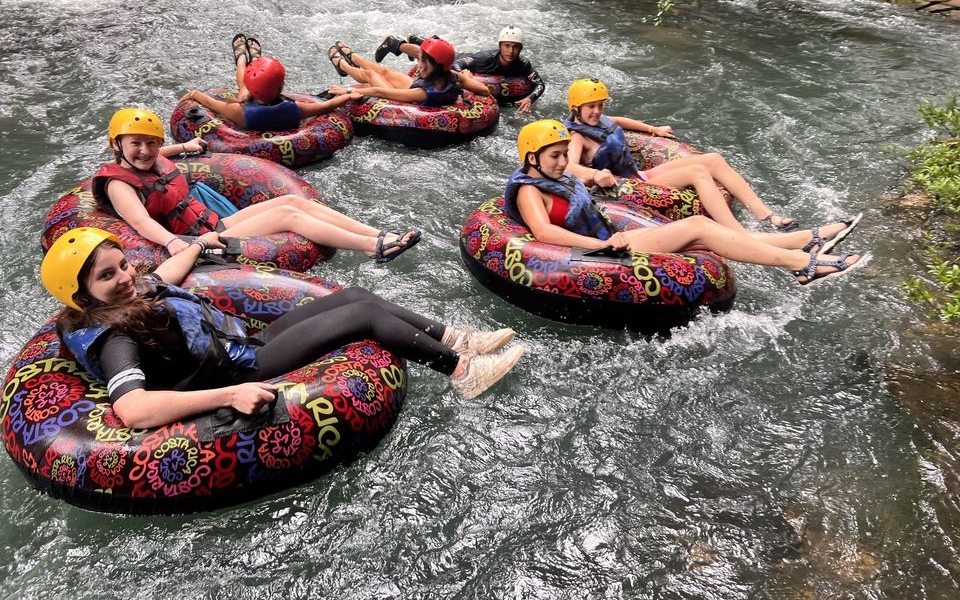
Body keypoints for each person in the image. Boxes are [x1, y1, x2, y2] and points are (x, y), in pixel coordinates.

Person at [42, 228, 524, 425]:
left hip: (243, 343)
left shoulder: (133, 291)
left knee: (351, 296)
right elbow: (133, 409)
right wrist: (227, 396)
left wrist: (197, 245)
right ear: (81, 295)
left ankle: (457, 337)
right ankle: (463, 372)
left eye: (123, 265)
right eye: (107, 276)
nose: (125, 277)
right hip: (236, 372)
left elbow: (163, 277)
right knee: (362, 317)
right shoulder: (114, 337)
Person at [505, 120, 867, 286]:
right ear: (533, 158)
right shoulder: (529, 190)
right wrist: (601, 244)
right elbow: (544, 231)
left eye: (561, 154)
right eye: (554, 155)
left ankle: (802, 242)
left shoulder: (561, 177)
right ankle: (802, 263)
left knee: (699, 237)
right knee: (698, 227)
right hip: (592, 254)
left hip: (606, 239)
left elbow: (584, 180)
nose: (560, 161)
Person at [92, 108, 421, 262]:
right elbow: (139, 221)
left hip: (214, 222)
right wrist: (174, 243)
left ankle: (377, 234)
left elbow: (156, 158)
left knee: (298, 204)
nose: (145, 151)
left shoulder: (149, 158)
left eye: (151, 143)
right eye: (135, 143)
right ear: (116, 144)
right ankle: (371, 248)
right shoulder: (118, 184)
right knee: (289, 217)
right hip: (199, 239)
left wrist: (183, 147)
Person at [564, 78, 810, 231]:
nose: (597, 111)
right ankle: (739, 233)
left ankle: (765, 214)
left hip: (639, 175)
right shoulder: (578, 138)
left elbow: (617, 121)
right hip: (625, 187)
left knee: (713, 159)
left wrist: (653, 129)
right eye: (591, 107)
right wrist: (595, 174)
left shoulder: (600, 121)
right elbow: (569, 167)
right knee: (697, 172)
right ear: (576, 109)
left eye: (600, 105)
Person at [183, 34, 344, 131]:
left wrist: (193, 93)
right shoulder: (297, 108)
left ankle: (241, 59)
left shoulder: (237, 111)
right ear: (281, 86)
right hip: (270, 111)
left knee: (244, 91)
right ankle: (252, 60)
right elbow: (326, 106)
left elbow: (210, 103)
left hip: (247, 106)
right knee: (245, 93)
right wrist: (350, 95)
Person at [374, 27, 546, 114]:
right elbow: (454, 66)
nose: (511, 51)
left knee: (428, 51)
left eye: (515, 47)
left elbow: (539, 84)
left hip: (457, 61)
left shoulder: (522, 63)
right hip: (459, 58)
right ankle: (396, 44)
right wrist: (465, 76)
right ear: (500, 46)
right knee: (431, 55)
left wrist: (530, 98)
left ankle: (417, 39)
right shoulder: (485, 59)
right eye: (507, 46)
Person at [325, 37, 490, 107]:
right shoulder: (453, 76)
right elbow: (484, 90)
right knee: (386, 71)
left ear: (438, 66)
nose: (419, 66)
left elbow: (378, 91)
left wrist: (348, 90)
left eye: (424, 62)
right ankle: (353, 56)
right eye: (419, 60)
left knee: (372, 76)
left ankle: (342, 65)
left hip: (408, 96)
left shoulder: (422, 93)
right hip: (419, 86)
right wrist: (468, 82)